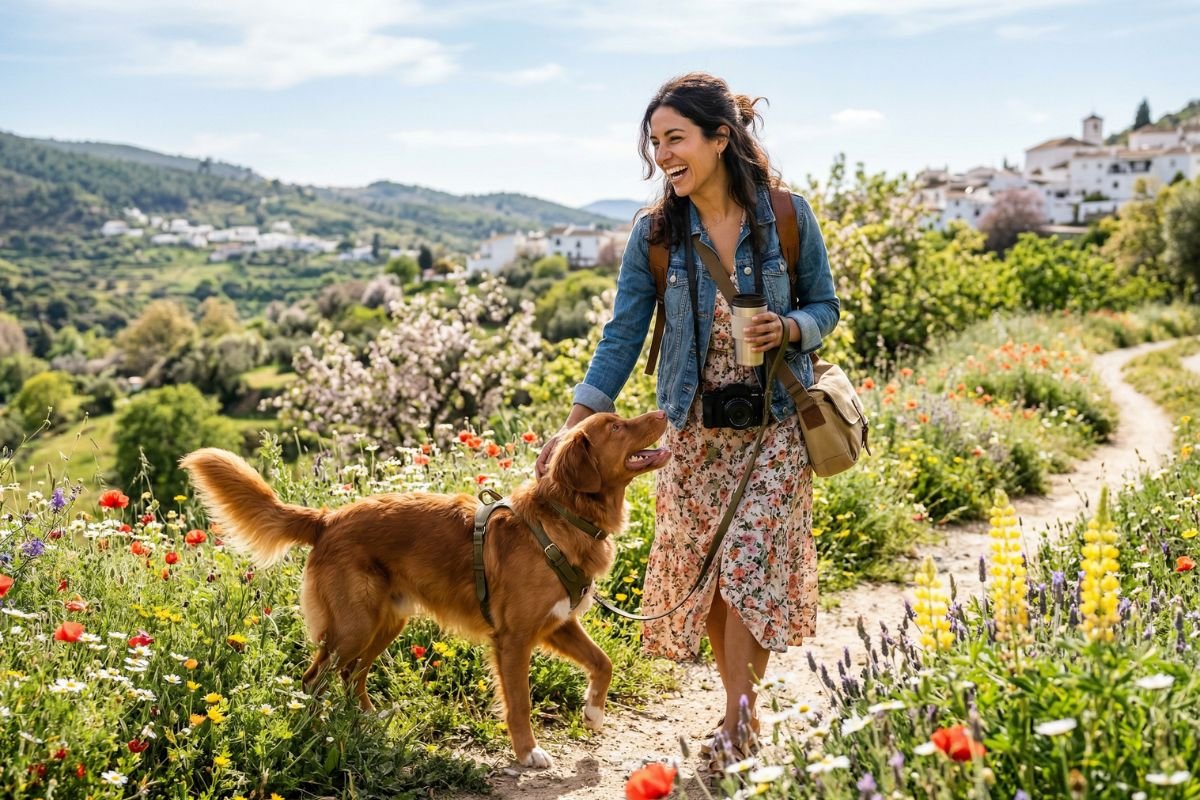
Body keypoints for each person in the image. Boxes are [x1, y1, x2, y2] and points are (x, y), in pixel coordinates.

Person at [535, 72, 839, 770]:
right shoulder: (657, 234)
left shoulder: (788, 217)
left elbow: (826, 305)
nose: (663, 154)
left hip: (776, 423)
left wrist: (789, 328)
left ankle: (738, 719)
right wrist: (576, 425)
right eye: (654, 143)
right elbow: (621, 337)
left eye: (676, 139)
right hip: (692, 430)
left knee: (746, 567)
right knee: (708, 577)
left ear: (720, 138)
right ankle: (741, 710)